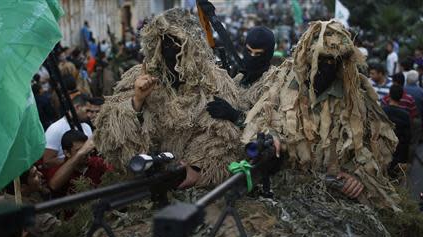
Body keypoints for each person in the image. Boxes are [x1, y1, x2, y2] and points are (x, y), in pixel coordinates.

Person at [239, 20, 402, 237]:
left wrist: (360, 176)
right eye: (320, 60)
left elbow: (382, 141)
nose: (324, 68)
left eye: (331, 61)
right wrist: (270, 139)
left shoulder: (355, 92)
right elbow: (259, 119)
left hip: (338, 196)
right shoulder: (283, 82)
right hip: (288, 190)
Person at [94, 8, 242, 188]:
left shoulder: (215, 82)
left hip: (196, 184)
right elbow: (110, 135)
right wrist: (137, 101)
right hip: (145, 181)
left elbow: (224, 134)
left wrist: (197, 165)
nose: (173, 53)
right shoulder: (138, 78)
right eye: (166, 45)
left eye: (179, 44)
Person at [206, 26, 276, 128]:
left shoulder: (272, 83)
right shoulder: (239, 76)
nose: (251, 57)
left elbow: (267, 128)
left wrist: (234, 116)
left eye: (257, 54)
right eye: (248, 51)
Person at [45, 130, 111, 197]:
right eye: (79, 150)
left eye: (85, 148)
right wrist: (80, 154)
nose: (85, 152)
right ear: (67, 153)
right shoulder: (58, 170)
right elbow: (53, 185)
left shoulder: (97, 162)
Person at [43, 94, 92, 168]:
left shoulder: (87, 127)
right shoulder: (55, 129)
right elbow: (47, 161)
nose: (89, 115)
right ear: (77, 107)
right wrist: (74, 160)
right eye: (87, 110)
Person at [382, 85, 412, 172]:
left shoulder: (382, 111)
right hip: (398, 151)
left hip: (383, 150)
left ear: (389, 95)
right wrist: (404, 159)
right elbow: (407, 138)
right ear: (401, 97)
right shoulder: (405, 115)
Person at [405, 70, 423, 142]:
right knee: (414, 140)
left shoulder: (402, 89)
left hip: (403, 118)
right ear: (417, 80)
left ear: (407, 79)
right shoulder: (422, 91)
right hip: (416, 119)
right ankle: (412, 152)